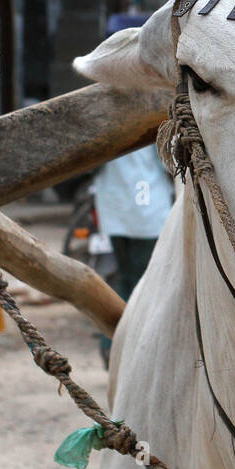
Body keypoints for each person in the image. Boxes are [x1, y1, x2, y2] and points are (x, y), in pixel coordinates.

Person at [93, 142, 174, 366]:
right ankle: (138, 353)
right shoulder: (152, 120)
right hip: (148, 214)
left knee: (125, 279)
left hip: (114, 210)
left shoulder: (104, 120)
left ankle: (111, 344)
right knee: (147, 286)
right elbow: (169, 162)